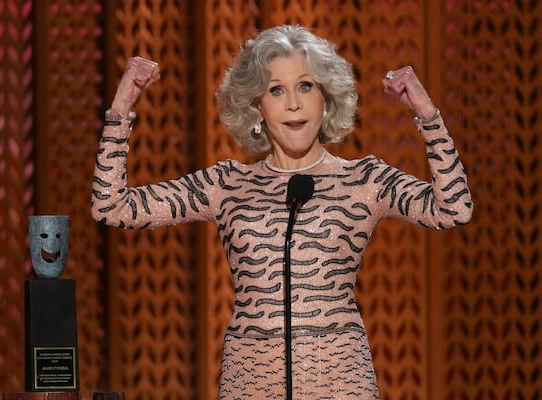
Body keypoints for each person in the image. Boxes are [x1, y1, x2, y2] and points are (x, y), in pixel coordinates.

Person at [92, 25, 473, 399]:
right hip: (251, 381)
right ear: (257, 105)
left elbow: (454, 208)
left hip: (340, 383)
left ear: (326, 99)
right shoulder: (227, 184)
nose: (294, 103)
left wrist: (427, 115)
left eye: (306, 86)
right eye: (277, 90)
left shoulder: (363, 179)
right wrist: (121, 109)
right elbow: (111, 207)